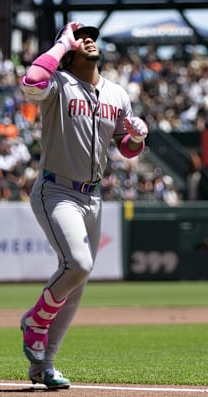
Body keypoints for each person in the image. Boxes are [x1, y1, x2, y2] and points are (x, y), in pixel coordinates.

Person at [18, 21, 148, 389]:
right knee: (78, 264)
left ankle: (44, 367)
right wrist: (61, 44)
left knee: (77, 282)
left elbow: (126, 149)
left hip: (92, 195)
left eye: (92, 37)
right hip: (56, 190)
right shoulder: (58, 83)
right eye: (81, 38)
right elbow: (31, 83)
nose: (88, 41)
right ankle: (35, 322)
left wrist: (137, 138)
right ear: (70, 49)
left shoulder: (117, 93)